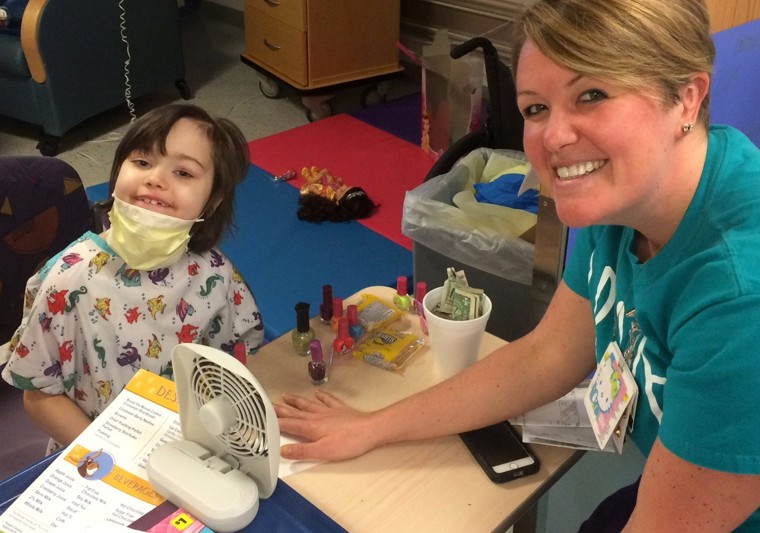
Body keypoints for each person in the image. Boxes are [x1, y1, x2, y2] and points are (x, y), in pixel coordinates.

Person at [274, 0, 760, 530]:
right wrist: (374, 426)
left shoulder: (740, 300)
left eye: (592, 95)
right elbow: (549, 354)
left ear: (687, 97)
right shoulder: (626, 194)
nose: (553, 138)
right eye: (536, 109)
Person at [1, 104, 265, 453]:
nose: (155, 178)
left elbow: (238, 361)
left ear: (213, 202)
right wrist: (112, 457)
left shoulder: (214, 273)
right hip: (98, 454)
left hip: (188, 447)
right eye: (142, 162)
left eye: (184, 173)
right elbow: (39, 397)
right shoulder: (67, 281)